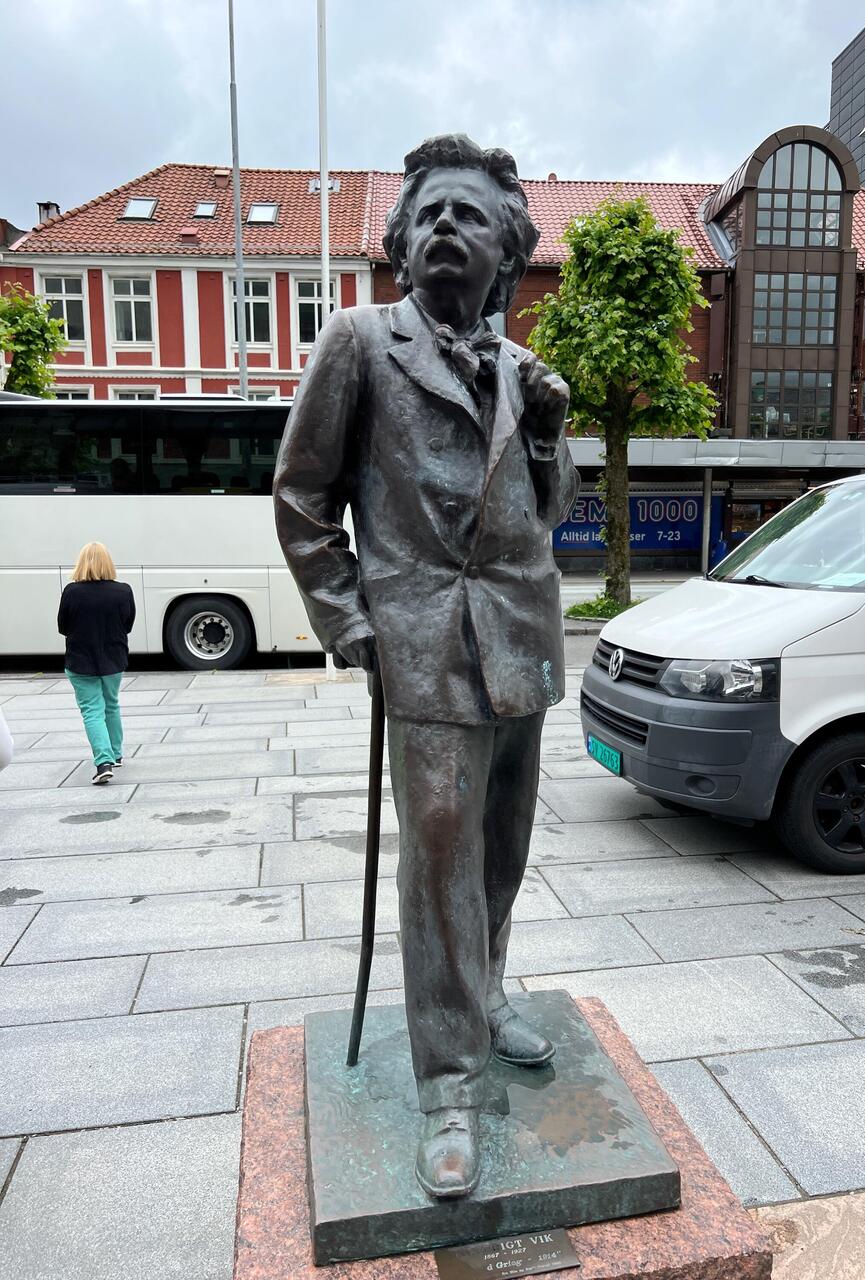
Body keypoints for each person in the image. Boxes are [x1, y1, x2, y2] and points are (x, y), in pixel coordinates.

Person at [275, 134, 579, 1199]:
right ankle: (449, 1080)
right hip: (422, 644)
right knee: (438, 858)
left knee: (501, 843)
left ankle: (487, 993)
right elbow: (302, 498)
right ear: (403, 243)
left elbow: (549, 515)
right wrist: (351, 621)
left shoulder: (520, 366)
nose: (450, 226)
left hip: (521, 639)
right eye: (432, 213)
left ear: (508, 251)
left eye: (474, 215)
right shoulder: (359, 341)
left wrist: (547, 430)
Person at [57, 542, 135, 784]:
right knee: (111, 704)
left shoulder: (71, 591)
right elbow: (128, 625)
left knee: (92, 710)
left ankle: (103, 763)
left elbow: (63, 627)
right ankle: (116, 753)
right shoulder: (124, 591)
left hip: (81, 662)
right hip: (113, 660)